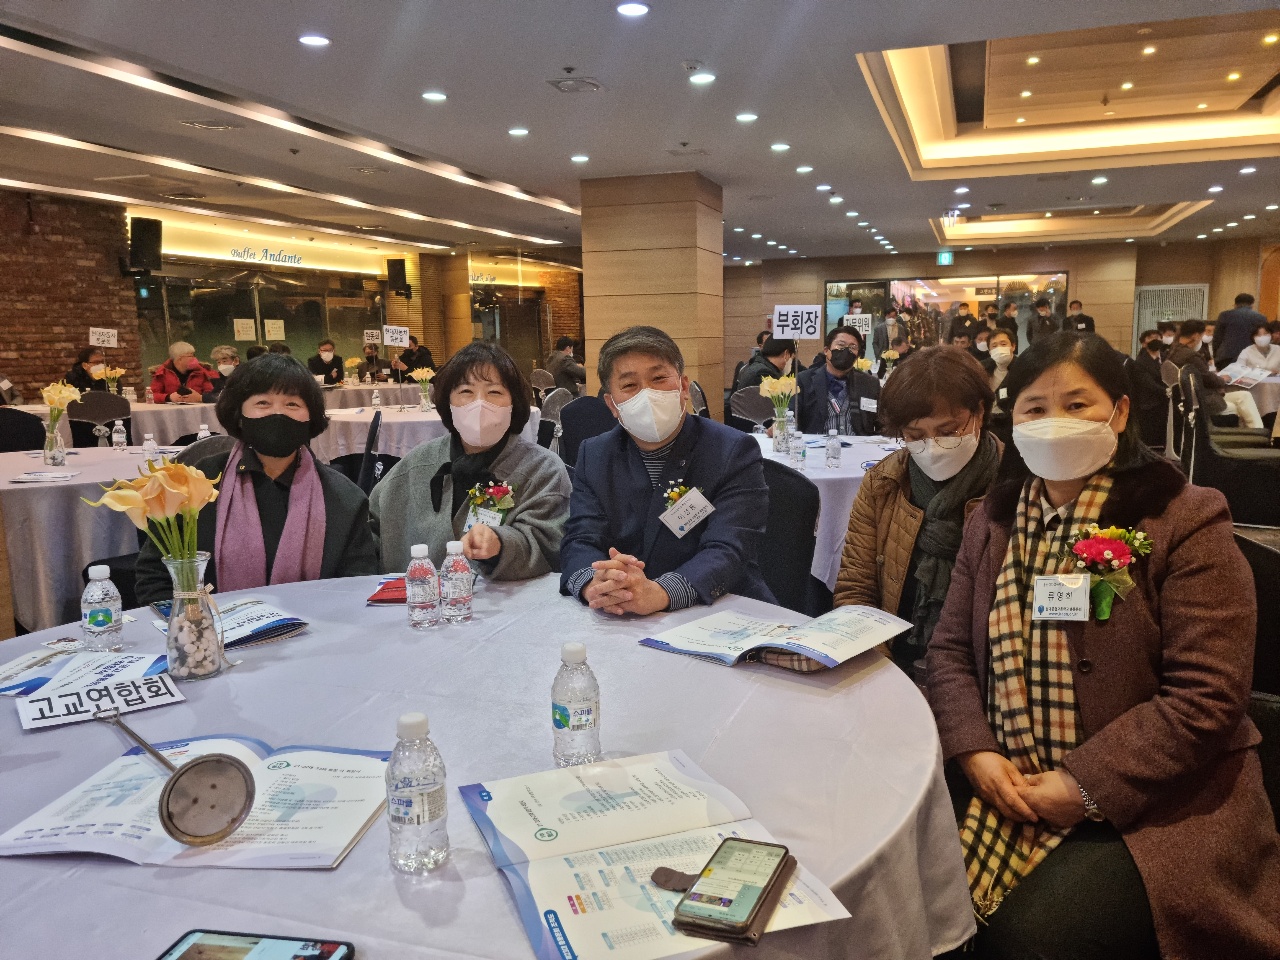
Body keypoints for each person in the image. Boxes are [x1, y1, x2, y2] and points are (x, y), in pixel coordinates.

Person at [927, 330, 1280, 960]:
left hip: (1162, 794)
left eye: (1077, 405)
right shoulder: (993, 519)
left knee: (1031, 939)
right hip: (1008, 772)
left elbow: (1207, 696)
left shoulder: (1184, 516)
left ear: (1118, 412)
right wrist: (974, 749)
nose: (1055, 422)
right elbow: (950, 650)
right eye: (1035, 408)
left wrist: (1085, 784)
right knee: (914, 882)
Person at [560, 325, 772, 614]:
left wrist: (660, 593)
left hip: (718, 609)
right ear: (612, 404)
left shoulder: (732, 450)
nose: (647, 394)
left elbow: (729, 548)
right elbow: (580, 538)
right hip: (620, 614)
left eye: (659, 379)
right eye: (630, 385)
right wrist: (595, 584)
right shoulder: (595, 454)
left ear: (683, 387)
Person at [134, 354, 379, 604]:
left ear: (311, 418)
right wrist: (191, 621)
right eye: (263, 402)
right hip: (207, 626)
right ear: (239, 414)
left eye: (292, 404)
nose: (278, 413)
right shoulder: (196, 484)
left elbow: (357, 587)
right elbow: (155, 576)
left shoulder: (344, 498)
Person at [835, 347, 1001, 675]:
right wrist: (883, 673)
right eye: (915, 435)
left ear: (979, 413)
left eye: (949, 431)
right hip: (895, 663)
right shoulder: (885, 483)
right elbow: (856, 589)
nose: (933, 446)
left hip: (986, 674)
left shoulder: (1014, 487)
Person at [370, 342, 570, 579]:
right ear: (448, 402)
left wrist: (501, 545)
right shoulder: (417, 464)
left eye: (494, 392)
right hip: (418, 599)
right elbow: (370, 531)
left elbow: (551, 546)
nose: (479, 404)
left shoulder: (542, 470)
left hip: (507, 601)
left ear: (514, 403)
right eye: (466, 392)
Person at [1166, 319, 1264, 428]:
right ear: (1196, 336)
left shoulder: (1174, 351)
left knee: (1245, 395)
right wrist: (1222, 379)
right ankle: (1257, 432)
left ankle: (1257, 430)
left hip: (1190, 397)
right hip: (1203, 400)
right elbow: (1208, 379)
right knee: (1240, 406)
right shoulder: (1191, 356)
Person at [792, 326, 880, 435]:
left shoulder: (870, 383)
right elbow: (791, 417)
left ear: (858, 355)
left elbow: (882, 422)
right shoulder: (804, 380)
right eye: (841, 345)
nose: (846, 351)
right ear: (826, 350)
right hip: (818, 443)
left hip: (858, 443)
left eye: (853, 347)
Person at [1130, 330, 1168, 448]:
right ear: (1144, 344)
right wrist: (1167, 391)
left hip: (1166, 402)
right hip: (1149, 404)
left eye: (1157, 337)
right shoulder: (1140, 362)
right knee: (1150, 435)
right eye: (1151, 338)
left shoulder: (1166, 357)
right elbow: (1148, 384)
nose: (1155, 340)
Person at [1213, 292, 1268, 367]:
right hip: (1251, 357)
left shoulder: (1224, 315)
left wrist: (1216, 357)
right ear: (1252, 305)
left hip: (1227, 357)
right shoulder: (1261, 318)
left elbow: (1217, 338)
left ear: (1235, 304)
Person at [983, 329, 1017, 402]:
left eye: (1003, 344)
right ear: (989, 351)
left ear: (1013, 346)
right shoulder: (983, 368)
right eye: (994, 346)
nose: (999, 348)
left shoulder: (1022, 368)